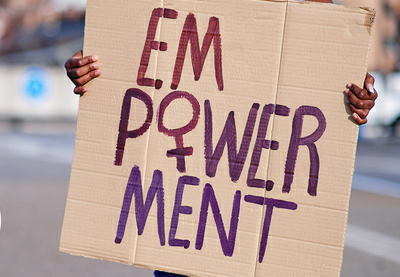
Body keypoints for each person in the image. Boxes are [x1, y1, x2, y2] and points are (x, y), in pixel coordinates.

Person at [64, 1, 377, 276]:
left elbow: (327, 60)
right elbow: (132, 41)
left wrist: (354, 94)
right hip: (185, 228)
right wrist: (94, 68)